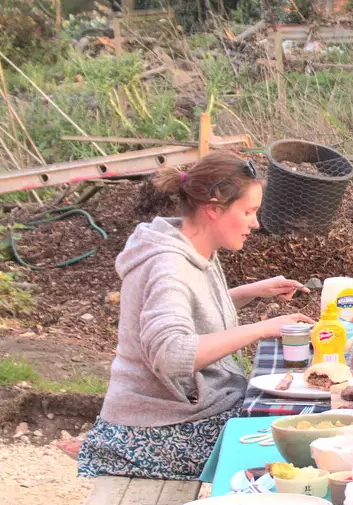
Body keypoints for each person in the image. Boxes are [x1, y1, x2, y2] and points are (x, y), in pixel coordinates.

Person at [76, 152, 311, 480]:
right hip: (155, 432)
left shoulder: (190, 247)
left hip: (174, 418)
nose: (255, 224)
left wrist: (251, 291)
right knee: (293, 446)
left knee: (297, 428)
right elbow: (172, 355)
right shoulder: (168, 265)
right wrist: (262, 329)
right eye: (248, 212)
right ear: (213, 208)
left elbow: (188, 312)